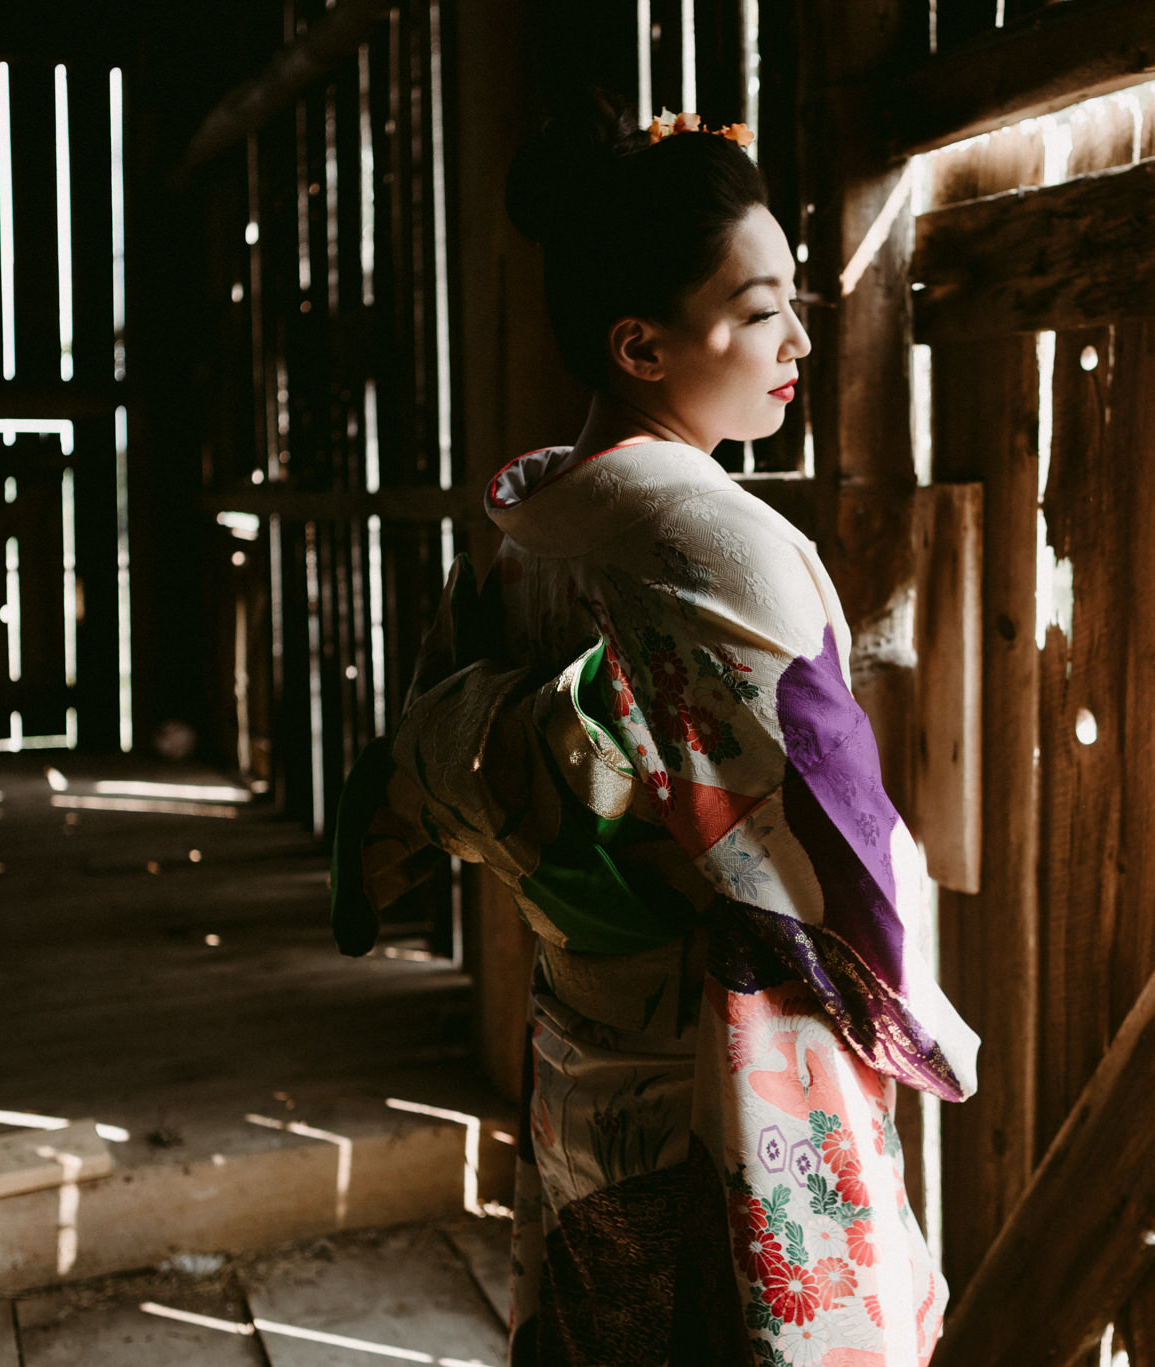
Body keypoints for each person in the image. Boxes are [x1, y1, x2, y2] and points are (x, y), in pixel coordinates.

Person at [329, 86, 978, 1366]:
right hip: (730, 1051)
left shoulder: (522, 534)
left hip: (583, 1022)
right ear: (640, 347)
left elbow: (427, 755)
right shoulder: (720, 544)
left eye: (790, 292)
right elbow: (829, 816)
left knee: (609, 1311)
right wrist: (911, 997)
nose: (796, 332)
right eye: (755, 310)